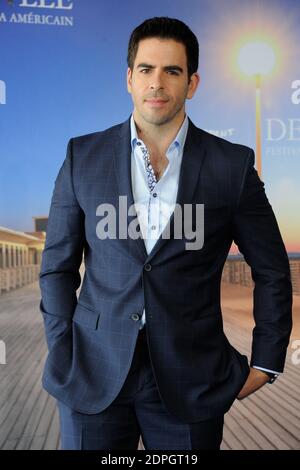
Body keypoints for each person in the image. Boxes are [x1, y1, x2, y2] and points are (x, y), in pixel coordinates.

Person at [39, 17, 293, 450]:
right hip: (93, 376)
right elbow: (57, 269)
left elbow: (272, 269)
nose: (157, 83)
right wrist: (63, 349)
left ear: (192, 83)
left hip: (191, 380)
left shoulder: (230, 166)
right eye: (146, 69)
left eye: (172, 71)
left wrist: (266, 361)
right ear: (129, 78)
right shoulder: (82, 156)